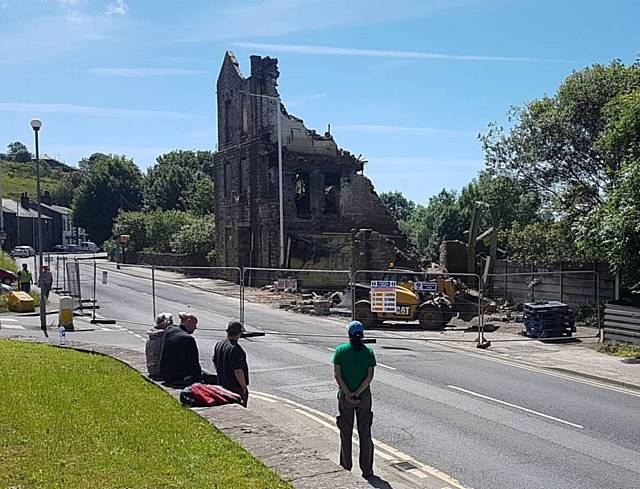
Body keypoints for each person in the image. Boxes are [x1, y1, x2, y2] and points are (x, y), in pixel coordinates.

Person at [332, 320, 377, 478]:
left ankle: (346, 466)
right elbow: (369, 376)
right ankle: (367, 469)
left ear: (348, 335)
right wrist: (358, 392)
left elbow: (337, 375)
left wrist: (348, 393)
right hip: (364, 398)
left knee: (346, 433)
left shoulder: (340, 351)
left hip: (345, 398)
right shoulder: (368, 352)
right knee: (365, 433)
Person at [159, 311, 202, 385]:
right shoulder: (188, 339)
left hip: (165, 373)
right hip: (178, 377)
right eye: (194, 324)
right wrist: (199, 378)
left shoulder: (170, 329)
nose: (195, 327)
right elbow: (193, 363)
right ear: (189, 322)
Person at [213, 320, 249, 406]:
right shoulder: (235, 349)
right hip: (234, 387)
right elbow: (238, 371)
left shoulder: (219, 344)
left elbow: (214, 361)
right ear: (240, 333)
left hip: (222, 384)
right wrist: (244, 388)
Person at [145, 312, 173, 379]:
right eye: (171, 322)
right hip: (160, 371)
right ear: (165, 323)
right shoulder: (164, 336)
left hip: (152, 369)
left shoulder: (152, 334)